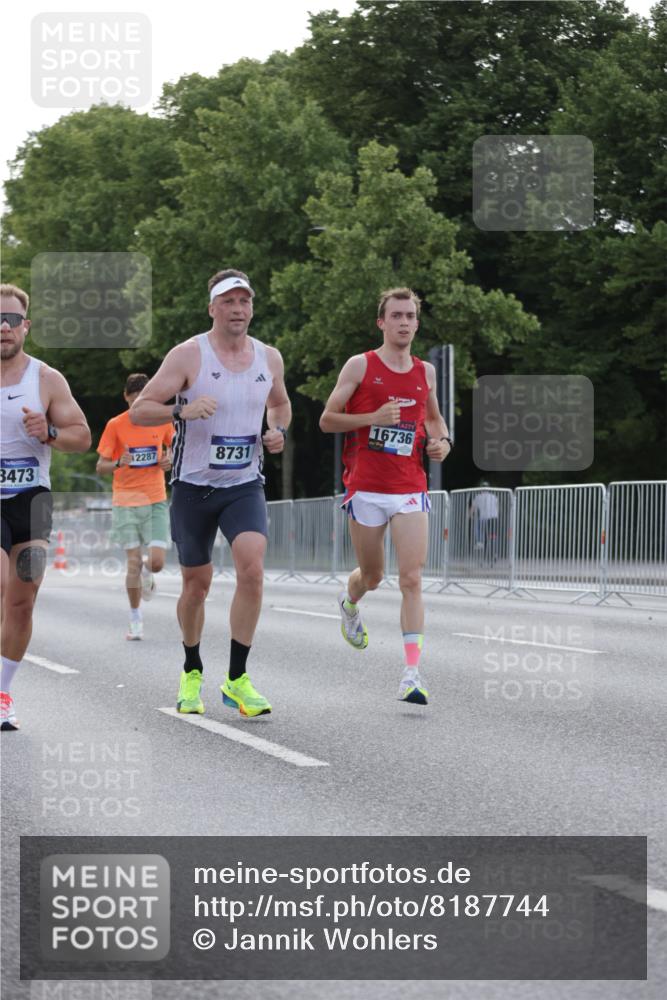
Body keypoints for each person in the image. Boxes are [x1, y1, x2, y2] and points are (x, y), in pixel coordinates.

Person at [130, 269, 291, 718]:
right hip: (193, 487)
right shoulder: (188, 356)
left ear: (252, 308)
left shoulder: (268, 358)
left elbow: (279, 403)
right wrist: (182, 409)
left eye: (245, 302)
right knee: (196, 585)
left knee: (253, 570)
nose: (238, 310)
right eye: (229, 302)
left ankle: (238, 679)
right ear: (213, 308)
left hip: (243, 485)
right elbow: (141, 410)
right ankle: (191, 668)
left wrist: (276, 430)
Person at [320, 287, 451, 705]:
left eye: (411, 316)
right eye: (396, 315)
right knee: (373, 576)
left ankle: (411, 674)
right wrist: (372, 418)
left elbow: (432, 417)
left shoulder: (425, 372)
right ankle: (350, 599)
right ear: (382, 322)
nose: (404, 322)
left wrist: (442, 441)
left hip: (410, 486)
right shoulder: (361, 365)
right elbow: (327, 420)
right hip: (366, 487)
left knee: (412, 578)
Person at [0, 283, 91, 730]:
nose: (3, 327)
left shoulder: (46, 379)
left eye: (12, 320)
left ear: (25, 327)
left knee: (22, 599)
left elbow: (81, 436)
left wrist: (48, 433)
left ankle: (2, 693)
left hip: (31, 498)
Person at [96, 373, 174, 640]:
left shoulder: (163, 421)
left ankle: (146, 567)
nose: (138, 406)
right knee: (131, 563)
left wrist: (170, 460)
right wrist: (119, 462)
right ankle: (135, 619)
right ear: (126, 398)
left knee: (156, 563)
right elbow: (101, 466)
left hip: (155, 500)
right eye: (133, 401)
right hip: (126, 501)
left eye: (143, 400)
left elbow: (177, 449)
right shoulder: (116, 425)